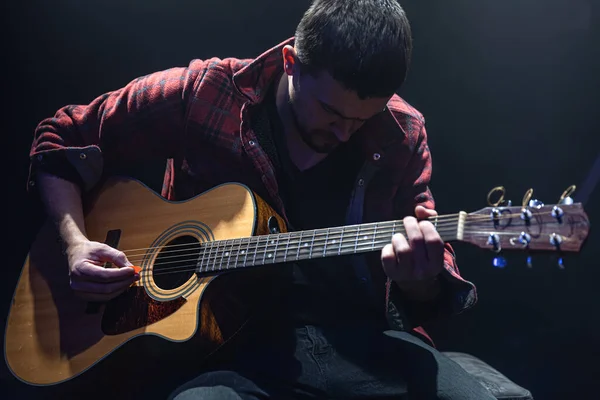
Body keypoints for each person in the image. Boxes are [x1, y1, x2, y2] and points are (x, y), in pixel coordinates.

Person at [27, 0, 495, 399]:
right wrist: (74, 243)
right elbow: (62, 137)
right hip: (227, 352)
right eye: (331, 112)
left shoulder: (403, 130)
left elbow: (430, 261)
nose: (344, 132)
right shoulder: (209, 92)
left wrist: (420, 279)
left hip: (361, 340)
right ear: (291, 62)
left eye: (361, 119)